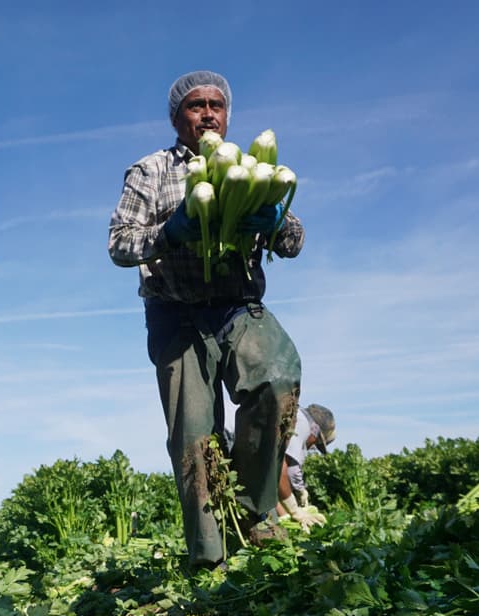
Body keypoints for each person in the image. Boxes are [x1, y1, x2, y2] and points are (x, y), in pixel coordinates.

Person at [107, 70, 306, 571]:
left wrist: (277, 220)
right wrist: (170, 231)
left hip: (239, 304)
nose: (208, 113)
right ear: (177, 117)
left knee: (278, 381)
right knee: (195, 436)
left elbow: (295, 240)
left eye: (216, 105)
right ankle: (208, 559)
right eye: (196, 106)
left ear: (227, 113)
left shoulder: (246, 165)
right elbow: (119, 244)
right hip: (175, 311)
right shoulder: (149, 171)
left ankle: (253, 511)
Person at [276, 403, 335, 529]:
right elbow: (281, 468)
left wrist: (299, 490)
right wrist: (294, 509)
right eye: (316, 443)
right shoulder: (302, 424)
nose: (311, 447)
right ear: (315, 432)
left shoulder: (295, 418)